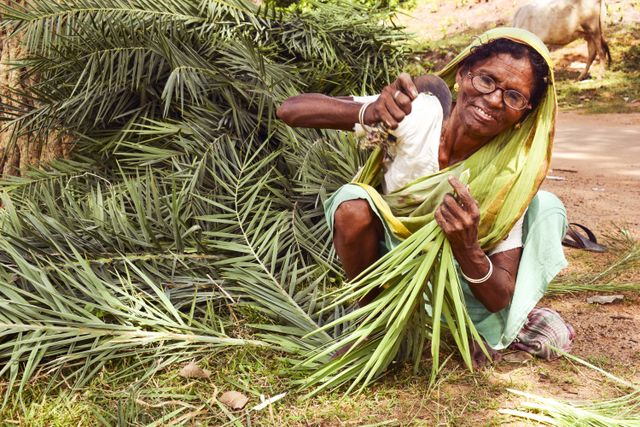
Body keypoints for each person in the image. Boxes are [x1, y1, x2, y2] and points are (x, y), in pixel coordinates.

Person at [277, 27, 574, 361]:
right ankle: (375, 323)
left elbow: (498, 296)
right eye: (486, 80)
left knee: (547, 206)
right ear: (463, 75)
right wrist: (370, 111)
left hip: (455, 282)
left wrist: (469, 248)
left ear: (525, 115)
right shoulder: (420, 116)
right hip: (389, 267)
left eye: (514, 97)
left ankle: (453, 328)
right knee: (351, 203)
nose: (493, 99)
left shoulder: (508, 175)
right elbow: (290, 110)